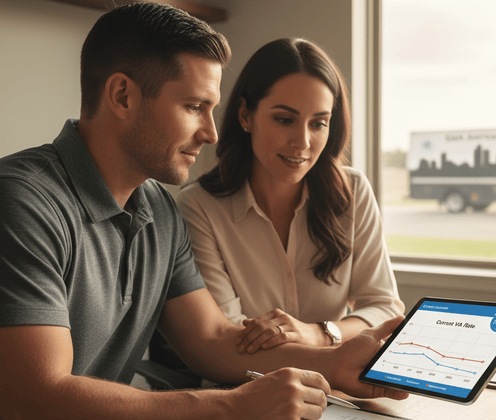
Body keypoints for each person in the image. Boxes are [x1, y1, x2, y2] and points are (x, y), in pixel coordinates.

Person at [0, 2, 407, 419]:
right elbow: (33, 394)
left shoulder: (159, 208)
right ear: (122, 96)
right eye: (194, 107)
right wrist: (231, 405)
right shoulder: (22, 202)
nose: (211, 132)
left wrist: (334, 364)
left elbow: (212, 340)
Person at [176, 38, 404, 355]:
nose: (303, 142)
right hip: (243, 387)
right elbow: (231, 336)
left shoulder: (353, 192)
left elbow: (385, 309)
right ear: (245, 116)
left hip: (336, 388)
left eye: (319, 123)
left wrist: (319, 334)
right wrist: (330, 350)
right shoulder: (198, 207)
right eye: (285, 119)